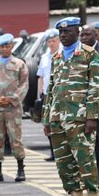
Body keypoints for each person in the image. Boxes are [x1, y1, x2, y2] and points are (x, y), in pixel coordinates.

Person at [43, 17, 99, 196]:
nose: (63, 36)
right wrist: (46, 119)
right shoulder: (57, 57)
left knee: (85, 159)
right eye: (60, 33)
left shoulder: (88, 54)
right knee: (64, 161)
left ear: (77, 32)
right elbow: (50, 89)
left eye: (67, 32)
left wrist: (92, 117)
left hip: (80, 118)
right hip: (57, 118)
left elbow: (95, 87)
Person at [0, 34, 29, 182]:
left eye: (7, 46)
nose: (4, 49)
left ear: (11, 47)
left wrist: (11, 99)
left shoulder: (19, 64)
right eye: (2, 46)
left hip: (12, 108)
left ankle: (20, 169)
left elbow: (24, 84)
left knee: (15, 138)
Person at [79, 25, 99, 189]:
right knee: (90, 142)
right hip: (85, 105)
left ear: (96, 35)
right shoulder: (79, 53)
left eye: (87, 35)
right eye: (81, 35)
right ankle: (93, 175)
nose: (84, 38)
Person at [36, 30, 62, 162]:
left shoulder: (64, 55)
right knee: (48, 124)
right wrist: (40, 94)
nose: (51, 43)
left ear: (58, 41)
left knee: (61, 124)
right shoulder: (45, 57)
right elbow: (40, 77)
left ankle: (62, 153)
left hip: (60, 95)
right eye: (49, 41)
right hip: (47, 95)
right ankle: (53, 152)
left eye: (54, 40)